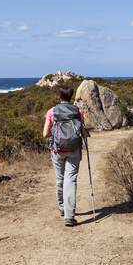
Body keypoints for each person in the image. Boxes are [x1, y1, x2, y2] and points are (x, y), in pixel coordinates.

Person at [43, 83, 88, 226]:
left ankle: (62, 208)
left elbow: (45, 134)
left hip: (57, 150)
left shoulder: (52, 111)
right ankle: (69, 216)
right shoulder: (78, 112)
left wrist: (56, 135)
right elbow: (83, 133)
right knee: (71, 180)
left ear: (59, 96)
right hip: (74, 151)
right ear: (71, 96)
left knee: (60, 179)